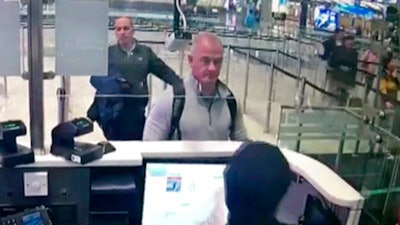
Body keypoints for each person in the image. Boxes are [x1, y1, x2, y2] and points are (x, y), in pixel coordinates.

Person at [87, 16, 183, 141]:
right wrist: (115, 84)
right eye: (118, 29)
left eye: (126, 28)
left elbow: (163, 71)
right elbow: (94, 79)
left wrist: (178, 84)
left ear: (133, 31)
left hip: (136, 113)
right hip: (113, 115)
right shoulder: (108, 54)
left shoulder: (145, 53)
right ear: (115, 32)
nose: (122, 32)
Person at [142, 32, 248, 141]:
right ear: (191, 60)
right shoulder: (171, 100)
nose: (212, 68)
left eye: (217, 62)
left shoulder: (230, 100)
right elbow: (150, 147)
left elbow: (242, 143)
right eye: (206, 61)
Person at [327, 35, 358, 106]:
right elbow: (332, 62)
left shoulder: (354, 53)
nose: (350, 46)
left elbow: (354, 67)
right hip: (337, 76)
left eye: (351, 44)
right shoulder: (338, 50)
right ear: (345, 43)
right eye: (349, 44)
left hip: (347, 79)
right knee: (334, 96)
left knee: (344, 97)